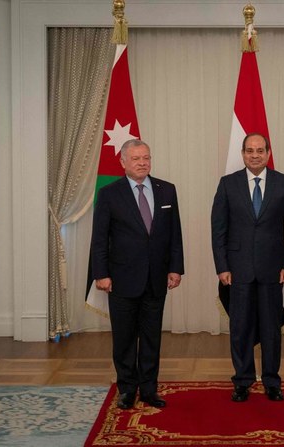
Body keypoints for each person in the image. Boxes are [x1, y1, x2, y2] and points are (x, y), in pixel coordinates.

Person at [91, 139, 184, 410]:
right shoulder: (109, 193)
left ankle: (149, 389)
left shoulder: (167, 190)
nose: (143, 162)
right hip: (121, 279)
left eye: (146, 157)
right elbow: (99, 239)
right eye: (136, 158)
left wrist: (176, 268)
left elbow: (174, 234)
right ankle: (127, 389)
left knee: (152, 337)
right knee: (124, 338)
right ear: (123, 162)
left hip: (156, 278)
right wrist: (101, 274)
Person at [211, 133, 284, 402]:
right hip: (237, 270)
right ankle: (242, 380)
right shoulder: (228, 184)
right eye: (250, 150)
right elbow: (218, 230)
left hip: (274, 270)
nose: (255, 155)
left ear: (268, 153)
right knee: (240, 327)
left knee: (271, 328)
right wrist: (222, 266)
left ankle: (272, 381)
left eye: (260, 150)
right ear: (242, 153)